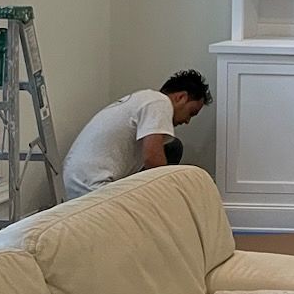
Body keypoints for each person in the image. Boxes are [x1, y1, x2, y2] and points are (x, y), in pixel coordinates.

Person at [61, 70, 213, 200]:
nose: (187, 121)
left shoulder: (144, 99)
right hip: (92, 186)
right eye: (191, 113)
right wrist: (171, 195)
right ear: (181, 97)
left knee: (172, 147)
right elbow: (153, 159)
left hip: (78, 180)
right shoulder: (159, 102)